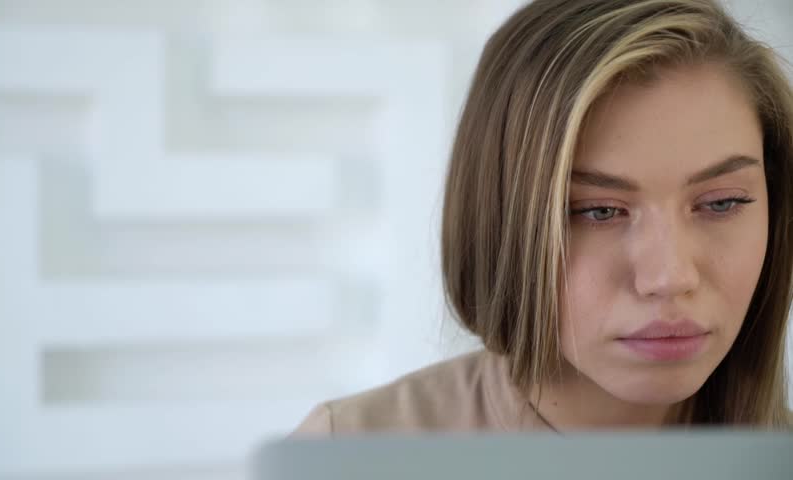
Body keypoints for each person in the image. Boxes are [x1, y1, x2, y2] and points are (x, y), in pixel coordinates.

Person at [293, 0, 793, 434]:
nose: (670, 278)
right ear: (501, 221)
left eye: (722, 203)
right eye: (598, 211)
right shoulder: (350, 456)